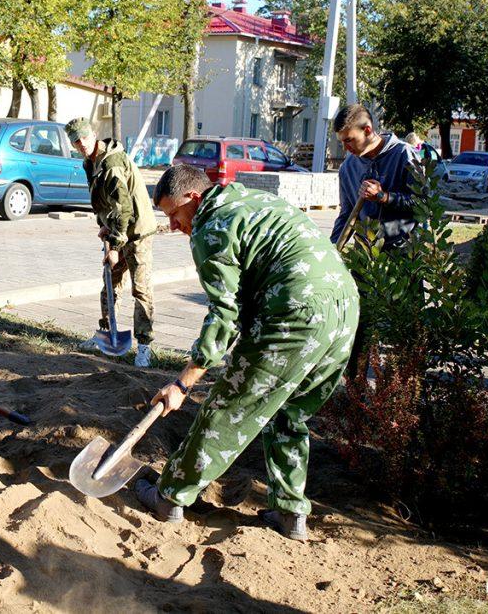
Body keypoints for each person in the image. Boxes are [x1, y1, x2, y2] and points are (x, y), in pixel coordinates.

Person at [135, 165, 359, 541]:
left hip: (293, 314)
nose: (173, 226)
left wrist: (183, 382)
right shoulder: (251, 199)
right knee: (289, 412)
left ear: (194, 198)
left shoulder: (211, 226)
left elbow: (224, 315)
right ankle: (290, 514)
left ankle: (169, 495)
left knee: (227, 408)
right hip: (343, 309)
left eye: (174, 215)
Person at [65, 118, 157, 368]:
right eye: (75, 141)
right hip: (117, 229)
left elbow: (124, 209)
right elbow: (104, 202)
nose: (80, 144)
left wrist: (115, 247)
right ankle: (106, 333)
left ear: (93, 135)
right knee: (109, 284)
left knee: (140, 289)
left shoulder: (112, 164)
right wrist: (104, 224)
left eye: (84, 138)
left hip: (137, 232)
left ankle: (144, 347)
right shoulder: (90, 162)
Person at [328, 104, 420, 251]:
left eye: (349, 140)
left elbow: (421, 205)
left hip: (401, 255)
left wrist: (383, 196)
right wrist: (331, 250)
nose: (345, 148)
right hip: (364, 256)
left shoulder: (404, 155)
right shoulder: (347, 168)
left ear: (367, 130)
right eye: (342, 142)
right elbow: (346, 214)